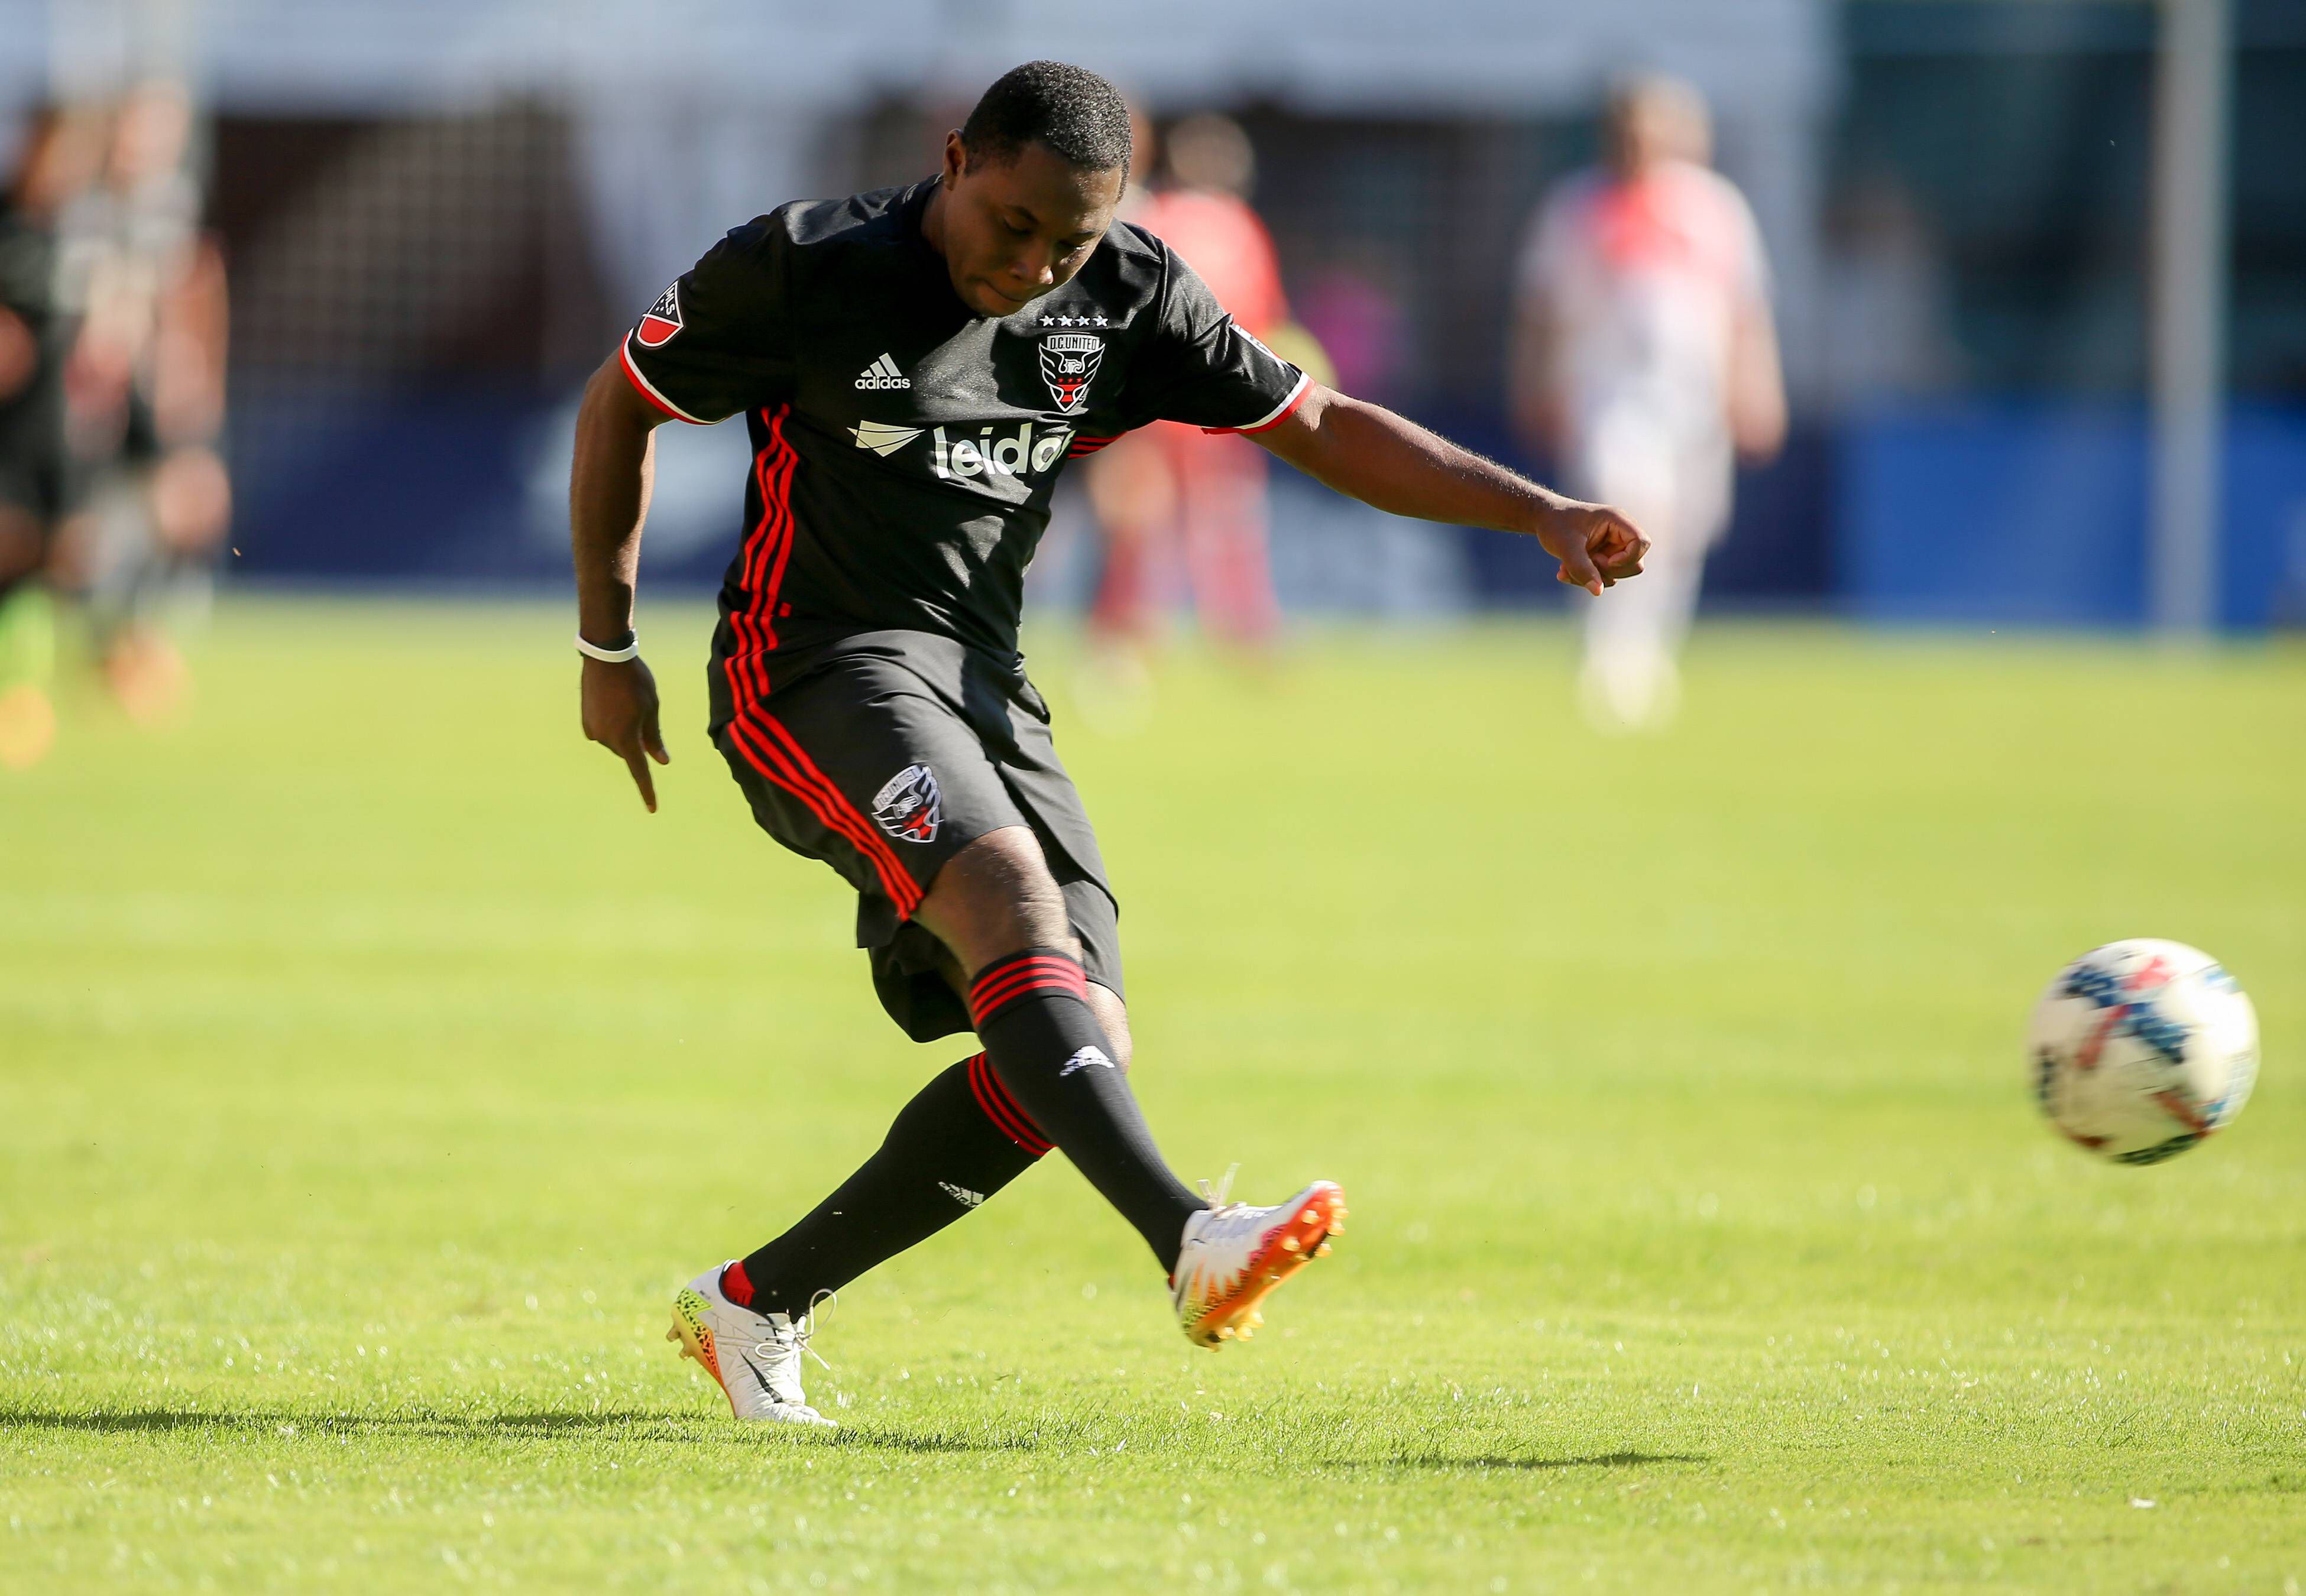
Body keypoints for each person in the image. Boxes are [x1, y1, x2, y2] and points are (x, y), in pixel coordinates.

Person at [569, 61, 1647, 1428]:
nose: (1033, 267)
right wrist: (609, 648)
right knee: (1010, 903)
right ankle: (1190, 1239)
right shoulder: (805, 265)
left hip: (986, 686)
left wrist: (1536, 508)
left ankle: (753, 1302)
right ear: (957, 160)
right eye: (1013, 224)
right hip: (811, 669)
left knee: (1080, 1043)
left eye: (1067, 243)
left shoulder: (1130, 294)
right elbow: (623, 403)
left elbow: (1318, 422)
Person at [1511, 76, 1784, 732]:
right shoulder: (1576, 207)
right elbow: (1539, 307)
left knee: (1685, 529)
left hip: (1694, 400)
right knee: (1624, 512)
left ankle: (1652, 648)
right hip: (1608, 394)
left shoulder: (1714, 209)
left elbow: (1745, 311)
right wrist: (1534, 381)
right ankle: (1611, 654)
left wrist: (1757, 387)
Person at [1083, 113, 1306, 667]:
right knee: (1189, 523)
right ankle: (1217, 636)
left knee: (1168, 523)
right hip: (1202, 402)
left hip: (1173, 401)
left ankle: (1147, 640)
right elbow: (1265, 326)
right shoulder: (1215, 226)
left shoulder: (1166, 221)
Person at [0, 105, 103, 769]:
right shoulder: (8, 230)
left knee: (54, 562)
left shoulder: (78, 237)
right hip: (6, 436)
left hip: (56, 435)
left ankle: (25, 693)